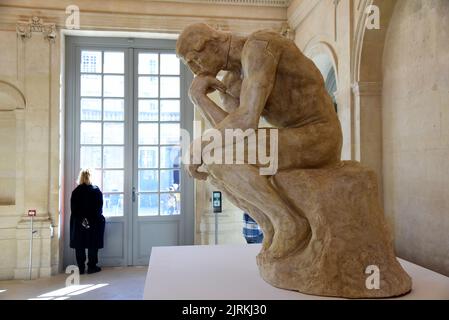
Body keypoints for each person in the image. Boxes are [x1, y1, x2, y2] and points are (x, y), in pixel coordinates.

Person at [176, 23, 343, 259]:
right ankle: (271, 224)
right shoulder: (232, 82)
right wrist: (199, 99)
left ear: (211, 44)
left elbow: (246, 121)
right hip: (293, 137)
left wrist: (200, 145)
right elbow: (233, 133)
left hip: (319, 136)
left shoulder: (260, 46)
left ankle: (289, 223)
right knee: (212, 163)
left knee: (213, 155)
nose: (195, 70)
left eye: (194, 60)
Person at [70, 169, 105, 274]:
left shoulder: (76, 191)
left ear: (80, 177)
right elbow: (99, 209)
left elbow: (74, 210)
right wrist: (90, 221)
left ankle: (80, 268)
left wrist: (83, 220)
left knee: (79, 245)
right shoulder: (96, 191)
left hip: (79, 222)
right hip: (93, 222)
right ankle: (91, 267)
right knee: (92, 244)